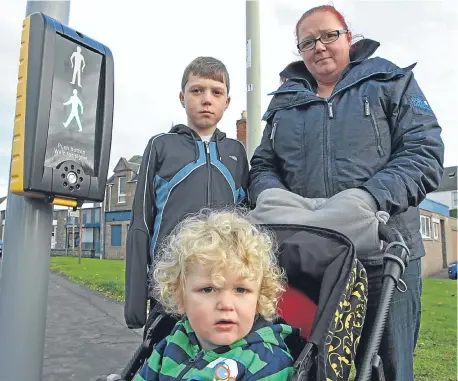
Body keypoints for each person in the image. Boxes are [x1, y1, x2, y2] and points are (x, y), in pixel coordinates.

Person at [248, 5, 444, 381]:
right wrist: (271, 195)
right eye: (308, 41)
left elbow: (423, 152)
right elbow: (263, 165)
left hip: (385, 259)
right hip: (308, 259)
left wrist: (368, 199)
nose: (319, 46)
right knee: (303, 363)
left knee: (386, 368)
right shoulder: (284, 102)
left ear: (349, 38)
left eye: (328, 36)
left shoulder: (390, 81)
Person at [125, 57, 249, 330]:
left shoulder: (236, 153)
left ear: (227, 102)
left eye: (216, 92)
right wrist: (135, 304)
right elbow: (140, 223)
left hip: (220, 285)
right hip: (171, 286)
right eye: (197, 90)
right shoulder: (161, 145)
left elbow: (245, 225)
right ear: (183, 97)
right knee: (166, 364)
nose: (207, 99)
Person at [133, 209, 300, 381]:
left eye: (241, 290)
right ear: (180, 297)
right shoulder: (173, 343)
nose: (226, 304)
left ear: (259, 298)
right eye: (208, 289)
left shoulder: (267, 364)